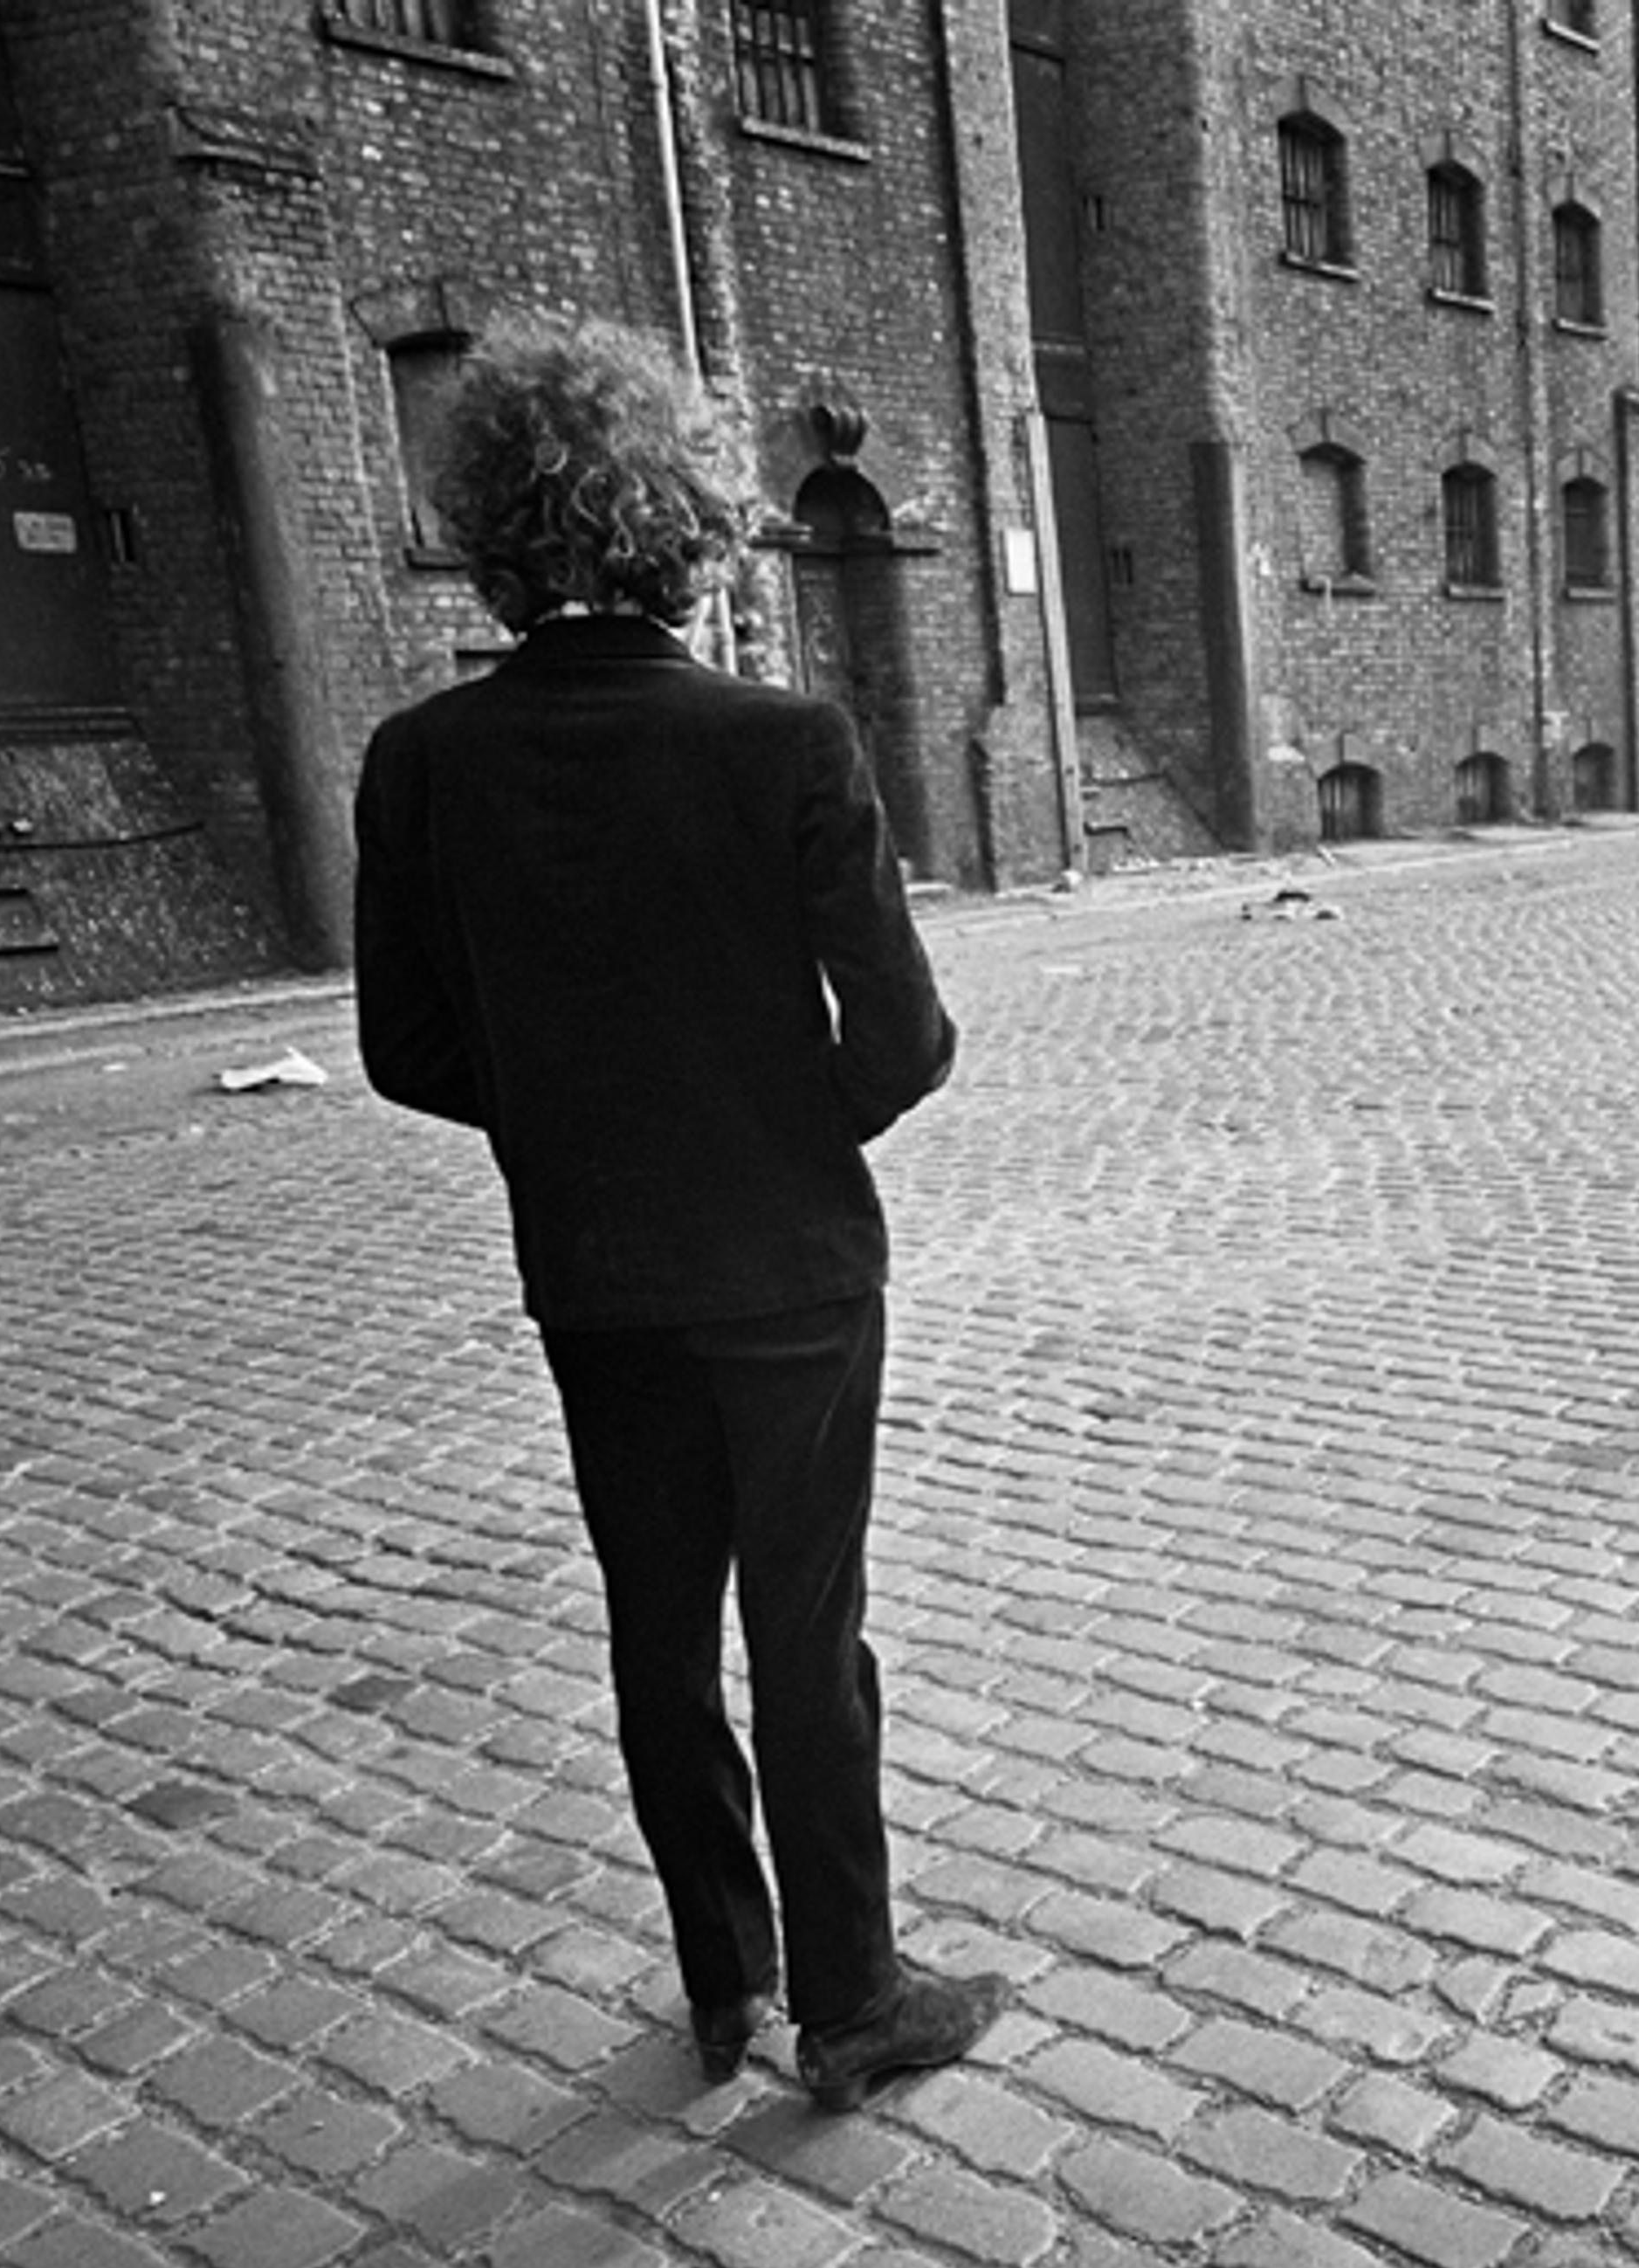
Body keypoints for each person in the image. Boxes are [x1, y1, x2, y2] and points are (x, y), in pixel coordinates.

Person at [352, 315, 1006, 2113]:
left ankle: (727, 1977)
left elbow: (406, 1045)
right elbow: (909, 1035)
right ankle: (856, 1999)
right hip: (788, 1258)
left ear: (494, 525)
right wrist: (788, 1124)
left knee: (657, 1625)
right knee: (808, 1626)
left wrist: (585, 1119)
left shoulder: (424, 758)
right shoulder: (786, 740)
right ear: (686, 525)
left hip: (598, 1264)